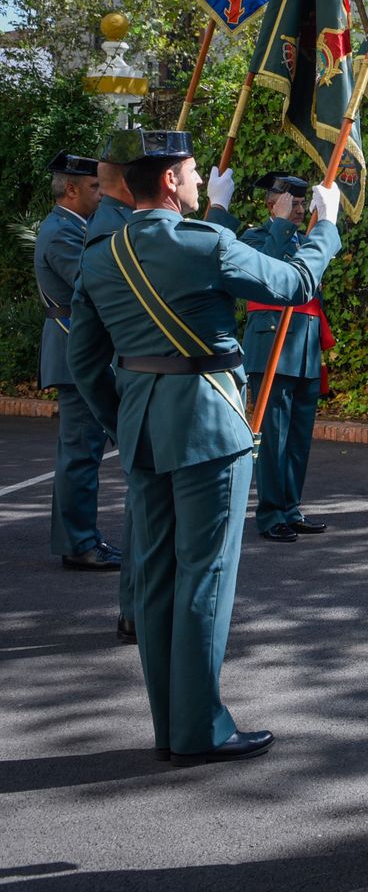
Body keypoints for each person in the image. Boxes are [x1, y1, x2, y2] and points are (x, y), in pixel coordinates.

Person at [67, 129, 341, 766]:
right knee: (205, 577)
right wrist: (325, 226)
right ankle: (199, 731)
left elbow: (85, 362)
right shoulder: (205, 242)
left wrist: (126, 424)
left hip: (143, 426)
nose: (198, 182)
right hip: (208, 425)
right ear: (169, 182)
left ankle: (172, 725)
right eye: (192, 172)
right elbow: (295, 281)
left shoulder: (101, 253)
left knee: (157, 578)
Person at [210, 173, 333, 543]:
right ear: (272, 204)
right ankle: (270, 513)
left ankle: (291, 508)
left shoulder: (303, 240)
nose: (299, 209)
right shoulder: (253, 237)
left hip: (304, 348)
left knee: (298, 438)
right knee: (273, 438)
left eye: (302, 203)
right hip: (271, 347)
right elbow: (265, 270)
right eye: (292, 203)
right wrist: (280, 225)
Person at [36, 152, 118, 574]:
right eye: (94, 187)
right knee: (80, 454)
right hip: (74, 350)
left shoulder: (75, 227)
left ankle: (81, 538)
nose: (101, 194)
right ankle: (79, 543)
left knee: (83, 451)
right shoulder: (61, 233)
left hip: (79, 349)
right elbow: (92, 284)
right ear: (70, 188)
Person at [83, 131, 146, 644]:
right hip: (146, 394)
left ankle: (137, 610)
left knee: (146, 514)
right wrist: (119, 420)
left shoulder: (114, 223)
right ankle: (138, 611)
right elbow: (87, 357)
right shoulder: (114, 233)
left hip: (141, 398)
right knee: (148, 517)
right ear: (130, 183)